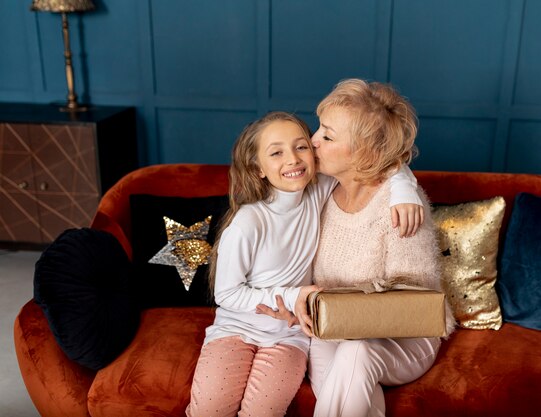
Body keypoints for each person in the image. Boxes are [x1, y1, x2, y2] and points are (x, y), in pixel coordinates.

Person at [186, 111, 423, 417]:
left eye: (301, 147)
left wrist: (405, 190)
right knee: (209, 410)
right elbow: (227, 295)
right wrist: (293, 295)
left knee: (262, 412)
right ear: (258, 168)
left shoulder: (317, 191)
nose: (293, 160)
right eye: (276, 152)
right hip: (235, 329)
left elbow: (378, 161)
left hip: (290, 336)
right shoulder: (249, 222)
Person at [285, 79, 456, 417]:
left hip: (404, 339)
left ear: (365, 153)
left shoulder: (400, 208)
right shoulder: (320, 189)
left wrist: (354, 321)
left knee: (357, 353)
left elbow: (415, 306)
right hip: (330, 327)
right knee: (346, 390)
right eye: (318, 127)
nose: (313, 140)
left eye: (328, 136)